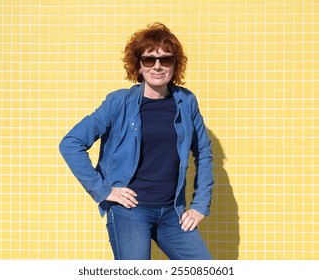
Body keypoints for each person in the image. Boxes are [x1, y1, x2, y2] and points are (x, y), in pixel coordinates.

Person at [59, 22, 214, 260]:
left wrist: (200, 205)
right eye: (149, 60)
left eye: (166, 60)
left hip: (173, 212)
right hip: (130, 212)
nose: (158, 67)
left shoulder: (186, 101)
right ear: (139, 66)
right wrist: (103, 190)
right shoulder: (118, 102)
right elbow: (71, 143)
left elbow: (203, 151)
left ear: (175, 64)